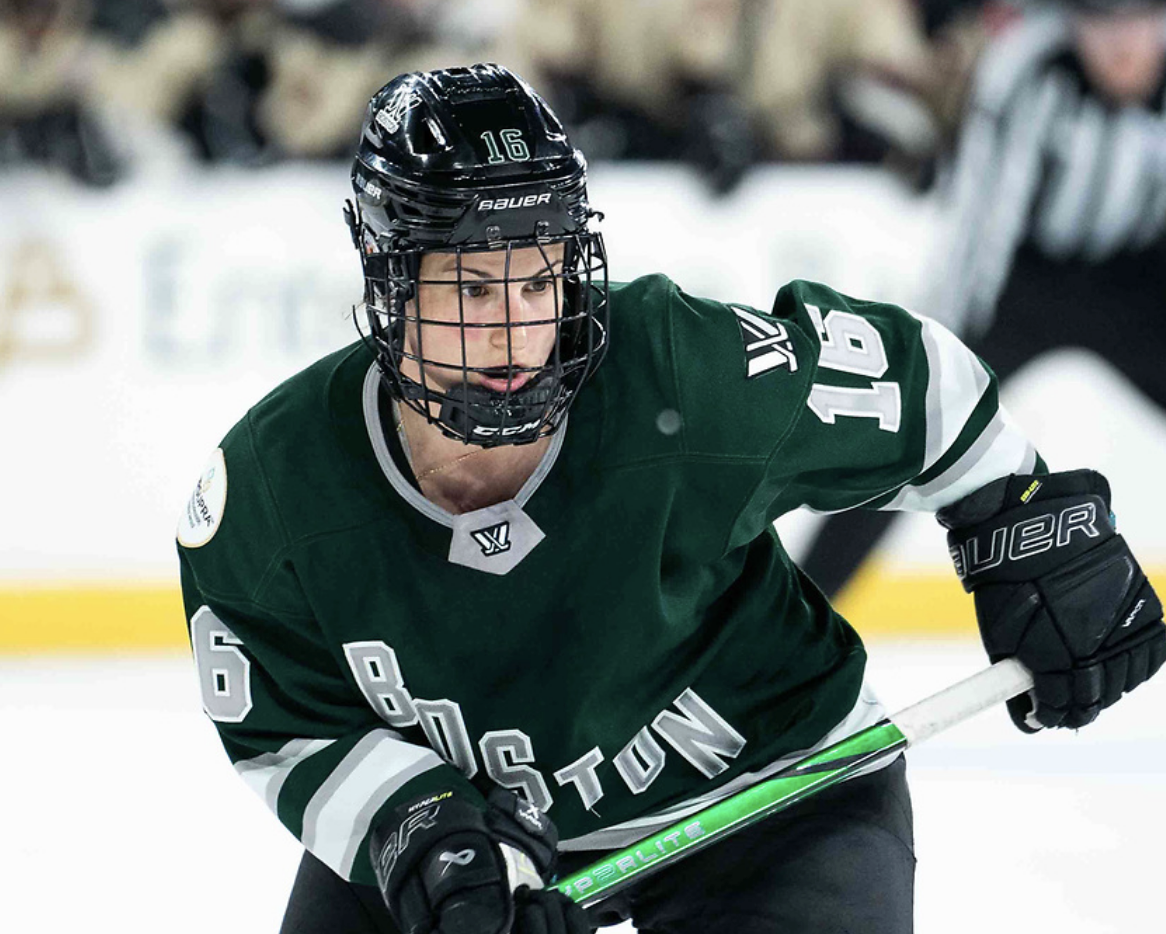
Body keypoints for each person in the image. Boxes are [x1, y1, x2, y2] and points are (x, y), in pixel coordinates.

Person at [176, 63, 1165, 934]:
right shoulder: (274, 495)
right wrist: (416, 829)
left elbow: (919, 387)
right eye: (472, 292)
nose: (517, 334)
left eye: (540, 284)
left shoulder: (678, 373)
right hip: (469, 836)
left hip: (772, 800)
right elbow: (286, 723)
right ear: (389, 280)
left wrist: (1028, 517)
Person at [799, 0, 1166, 600]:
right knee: (918, 426)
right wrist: (942, 352)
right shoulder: (1027, 67)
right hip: (1023, 279)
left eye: (1141, 23)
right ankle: (803, 607)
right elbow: (980, 215)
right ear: (1074, 25)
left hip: (1137, 276)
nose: (1124, 47)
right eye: (1103, 26)